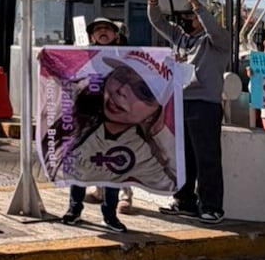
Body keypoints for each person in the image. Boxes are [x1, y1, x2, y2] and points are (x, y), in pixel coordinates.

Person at [147, 0, 230, 224]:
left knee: (207, 157)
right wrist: (152, 1)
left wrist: (196, 4)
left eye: (190, 15)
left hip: (205, 104)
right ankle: (184, 201)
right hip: (180, 102)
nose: (185, 19)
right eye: (183, 15)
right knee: (182, 157)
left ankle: (212, 206)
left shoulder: (217, 41)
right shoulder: (180, 38)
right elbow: (158, 23)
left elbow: (213, 28)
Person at [48, 53, 178, 194]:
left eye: (143, 91)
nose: (122, 90)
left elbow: (173, 183)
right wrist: (48, 59)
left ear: (157, 111)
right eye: (120, 77)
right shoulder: (76, 112)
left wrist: (159, 131)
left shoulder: (144, 154)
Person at [64, 17, 133, 230]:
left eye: (107, 29)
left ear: (116, 34)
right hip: (86, 121)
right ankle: (74, 209)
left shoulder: (126, 57)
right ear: (91, 35)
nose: (103, 32)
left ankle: (110, 215)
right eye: (98, 29)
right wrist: (46, 56)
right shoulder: (82, 57)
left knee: (112, 168)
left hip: (114, 122)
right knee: (80, 166)